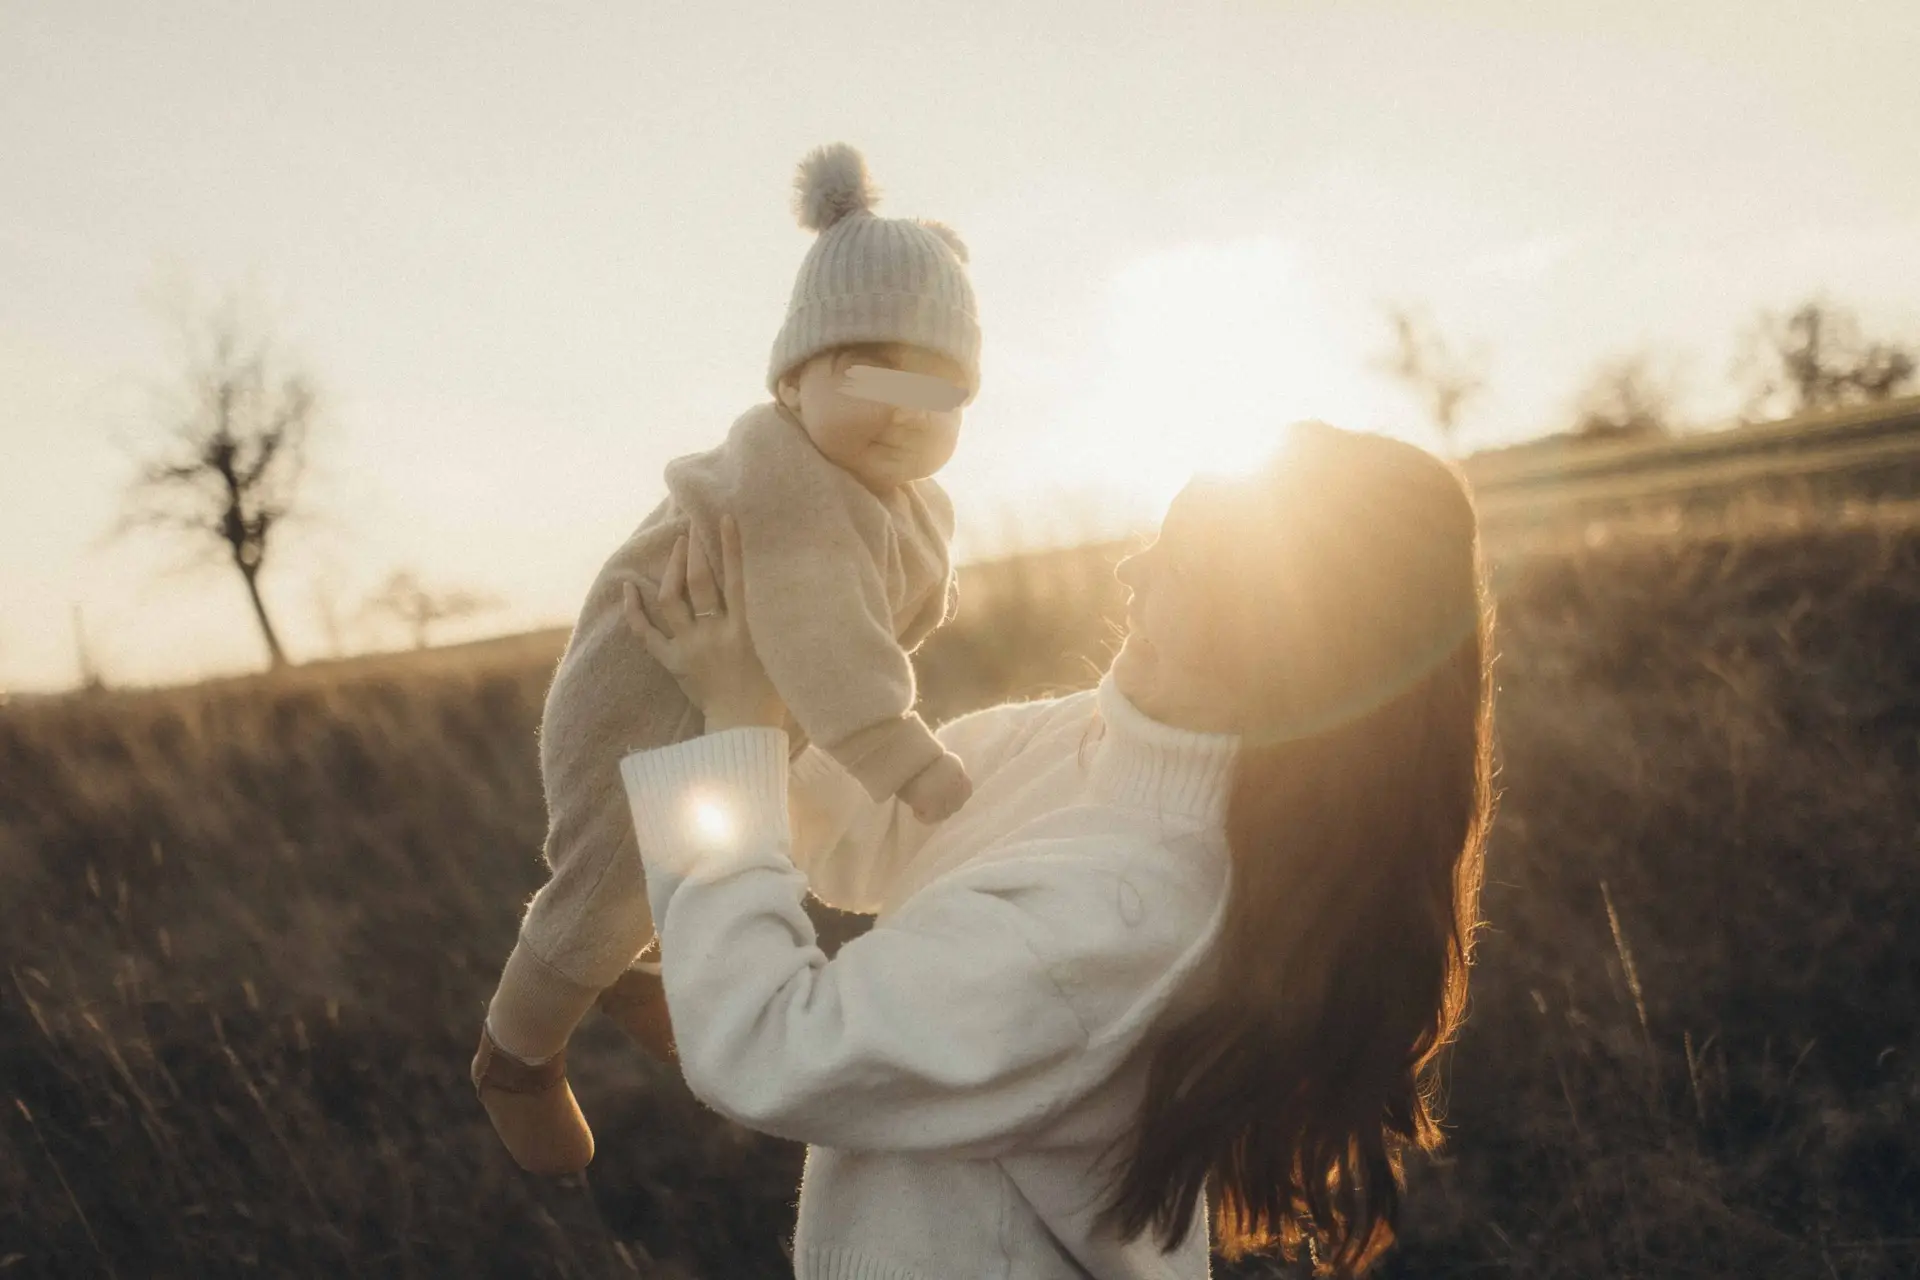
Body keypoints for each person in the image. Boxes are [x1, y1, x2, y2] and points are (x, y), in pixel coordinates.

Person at [617, 421, 1497, 1279]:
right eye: (1160, 536)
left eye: (1182, 566)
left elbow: (773, 1048)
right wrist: (784, 663)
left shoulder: (1124, 915)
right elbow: (862, 831)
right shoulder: (1092, 738)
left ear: (1286, 645)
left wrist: (732, 734)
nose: (1132, 568)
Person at [472, 141, 984, 1177]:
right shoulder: (788, 477)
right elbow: (824, 630)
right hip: (642, 695)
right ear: (794, 381)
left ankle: (644, 959)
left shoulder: (900, 494)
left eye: (937, 387)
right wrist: (898, 749)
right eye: (869, 369)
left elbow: (890, 601)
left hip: (737, 689)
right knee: (613, 871)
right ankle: (517, 1051)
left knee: (755, 838)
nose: (904, 407)